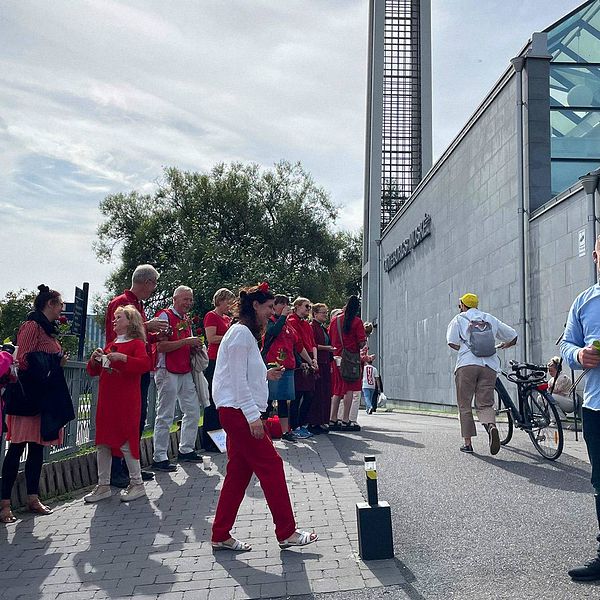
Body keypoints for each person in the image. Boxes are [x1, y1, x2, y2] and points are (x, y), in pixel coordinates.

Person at [210, 283, 318, 551]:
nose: (273, 312)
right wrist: (251, 416)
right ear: (255, 306)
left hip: (237, 412)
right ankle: (287, 532)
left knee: (238, 473)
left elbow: (239, 375)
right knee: (272, 466)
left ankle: (220, 533)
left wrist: (265, 375)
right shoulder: (241, 335)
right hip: (239, 413)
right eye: (269, 307)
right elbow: (236, 381)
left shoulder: (241, 334)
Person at [1, 285, 72, 523]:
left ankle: (33, 497)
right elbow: (23, 360)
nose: (62, 308)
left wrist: (56, 364)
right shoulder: (32, 326)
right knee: (17, 449)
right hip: (27, 398)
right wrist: (53, 365)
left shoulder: (47, 329)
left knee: (37, 449)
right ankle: (4, 504)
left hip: (42, 397)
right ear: (50, 304)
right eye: (60, 304)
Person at [105, 264, 169, 486]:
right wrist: (146, 325)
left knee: (137, 418)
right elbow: (117, 337)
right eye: (154, 284)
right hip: (123, 371)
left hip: (136, 367)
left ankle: (129, 466)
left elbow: (134, 338)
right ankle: (116, 470)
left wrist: (152, 336)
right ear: (146, 282)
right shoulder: (121, 303)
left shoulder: (136, 304)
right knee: (124, 419)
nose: (154, 289)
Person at [560, 235, 600, 581]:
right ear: (596, 255)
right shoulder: (584, 301)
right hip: (597, 407)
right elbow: (568, 344)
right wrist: (579, 355)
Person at [84, 305, 151, 503]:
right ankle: (103, 484)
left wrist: (123, 358)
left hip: (126, 401)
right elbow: (93, 371)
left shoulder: (137, 343)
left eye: (118, 317)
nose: (114, 321)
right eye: (114, 318)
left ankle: (137, 483)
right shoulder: (111, 343)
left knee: (126, 441)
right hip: (107, 400)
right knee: (103, 441)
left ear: (130, 321)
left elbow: (144, 365)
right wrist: (95, 359)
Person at [446, 293, 517, 455]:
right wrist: (505, 345)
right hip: (489, 366)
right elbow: (513, 335)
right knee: (485, 404)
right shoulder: (489, 318)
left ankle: (468, 443)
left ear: (462, 306)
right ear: (476, 305)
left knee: (464, 404)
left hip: (466, 365)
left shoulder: (459, 319)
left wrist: (465, 348)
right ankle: (491, 426)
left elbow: (451, 341)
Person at [152, 286, 203, 472]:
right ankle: (159, 457)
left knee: (192, 411)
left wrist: (194, 347)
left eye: (190, 300)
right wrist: (186, 342)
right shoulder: (165, 316)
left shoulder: (186, 320)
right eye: (185, 299)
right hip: (167, 370)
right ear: (175, 299)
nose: (188, 303)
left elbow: (182, 344)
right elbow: (160, 347)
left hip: (184, 369)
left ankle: (186, 449)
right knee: (165, 414)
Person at [262, 295, 308, 443]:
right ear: (274, 307)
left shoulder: (289, 325)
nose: (284, 307)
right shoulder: (271, 321)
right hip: (272, 364)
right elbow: (271, 333)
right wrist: (282, 317)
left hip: (287, 366)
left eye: (286, 304)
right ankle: (262, 431)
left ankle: (284, 432)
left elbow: (297, 346)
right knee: (268, 399)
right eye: (280, 304)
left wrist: (305, 361)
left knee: (283, 400)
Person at [202, 288, 235, 451]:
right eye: (228, 302)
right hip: (214, 359)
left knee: (223, 398)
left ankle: (221, 437)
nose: (230, 305)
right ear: (220, 301)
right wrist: (230, 336)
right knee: (213, 400)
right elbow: (211, 338)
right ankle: (209, 439)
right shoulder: (211, 316)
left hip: (225, 360)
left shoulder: (228, 318)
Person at [329, 296, 367, 431]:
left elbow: (330, 338)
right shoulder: (357, 322)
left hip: (335, 357)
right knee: (349, 389)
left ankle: (333, 419)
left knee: (337, 390)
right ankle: (346, 420)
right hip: (350, 359)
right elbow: (361, 342)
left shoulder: (335, 321)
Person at [287, 298, 318, 439]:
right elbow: (297, 345)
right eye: (306, 306)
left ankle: (302, 424)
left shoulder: (306, 324)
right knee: (297, 395)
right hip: (300, 361)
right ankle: (294, 426)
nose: (308, 308)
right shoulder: (292, 321)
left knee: (310, 394)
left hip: (309, 359)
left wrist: (314, 360)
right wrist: (305, 361)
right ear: (297, 306)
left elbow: (312, 343)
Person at [308, 303, 334, 432]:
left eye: (326, 312)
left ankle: (322, 420)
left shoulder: (322, 328)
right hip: (319, 362)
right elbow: (312, 344)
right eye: (323, 312)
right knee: (318, 393)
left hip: (325, 362)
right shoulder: (313, 327)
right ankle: (314, 422)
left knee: (324, 393)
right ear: (315, 314)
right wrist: (326, 348)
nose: (325, 315)